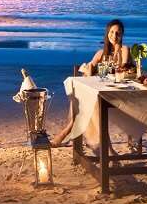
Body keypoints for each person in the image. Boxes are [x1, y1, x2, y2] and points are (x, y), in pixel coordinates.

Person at [51, 19, 131, 147]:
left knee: (86, 101)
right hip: (102, 93)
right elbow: (89, 68)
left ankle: (67, 131)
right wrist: (89, 70)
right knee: (82, 98)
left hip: (119, 94)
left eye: (118, 33)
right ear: (107, 33)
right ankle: (102, 143)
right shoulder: (101, 53)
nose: (114, 36)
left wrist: (116, 57)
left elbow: (122, 67)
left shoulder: (124, 49)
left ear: (122, 35)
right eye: (111, 32)